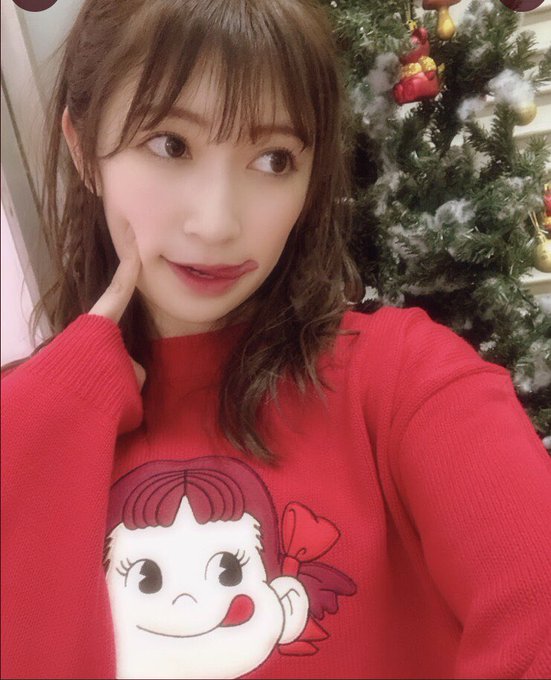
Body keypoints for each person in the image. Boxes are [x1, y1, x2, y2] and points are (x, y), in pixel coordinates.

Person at [1, 0, 550, 678]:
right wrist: (49, 413)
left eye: (273, 159)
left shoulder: (402, 380)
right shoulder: (27, 418)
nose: (217, 223)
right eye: (170, 145)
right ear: (85, 149)